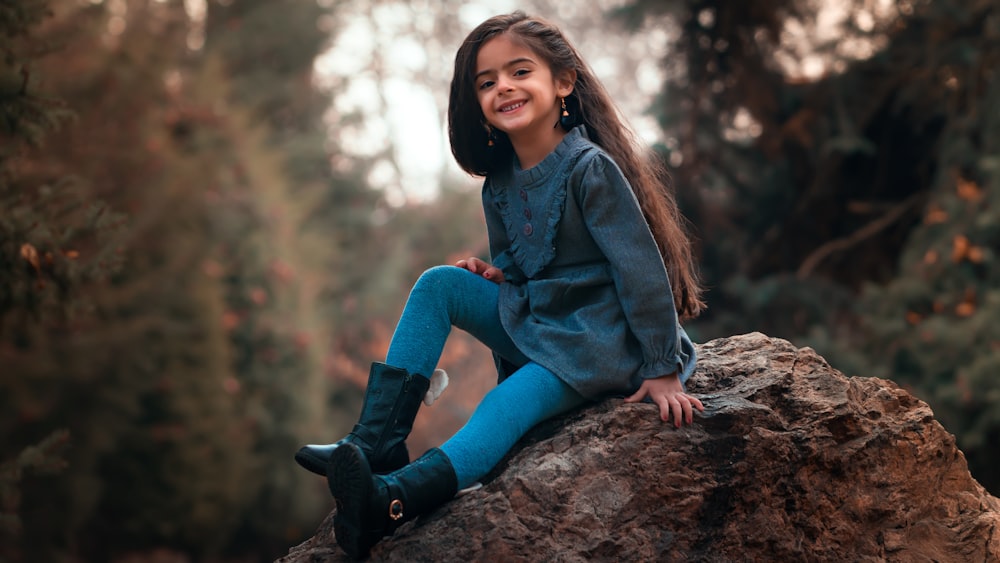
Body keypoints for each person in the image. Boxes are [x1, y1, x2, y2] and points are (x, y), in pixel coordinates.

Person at [299, 11, 707, 559]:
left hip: (598, 343)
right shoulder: (499, 184)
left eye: (519, 72)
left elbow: (641, 272)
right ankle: (376, 444)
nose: (503, 88)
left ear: (563, 83)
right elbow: (521, 262)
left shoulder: (589, 169)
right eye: (487, 82)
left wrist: (661, 370)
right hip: (543, 320)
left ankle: (391, 501)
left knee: (500, 408)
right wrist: (499, 276)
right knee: (440, 284)